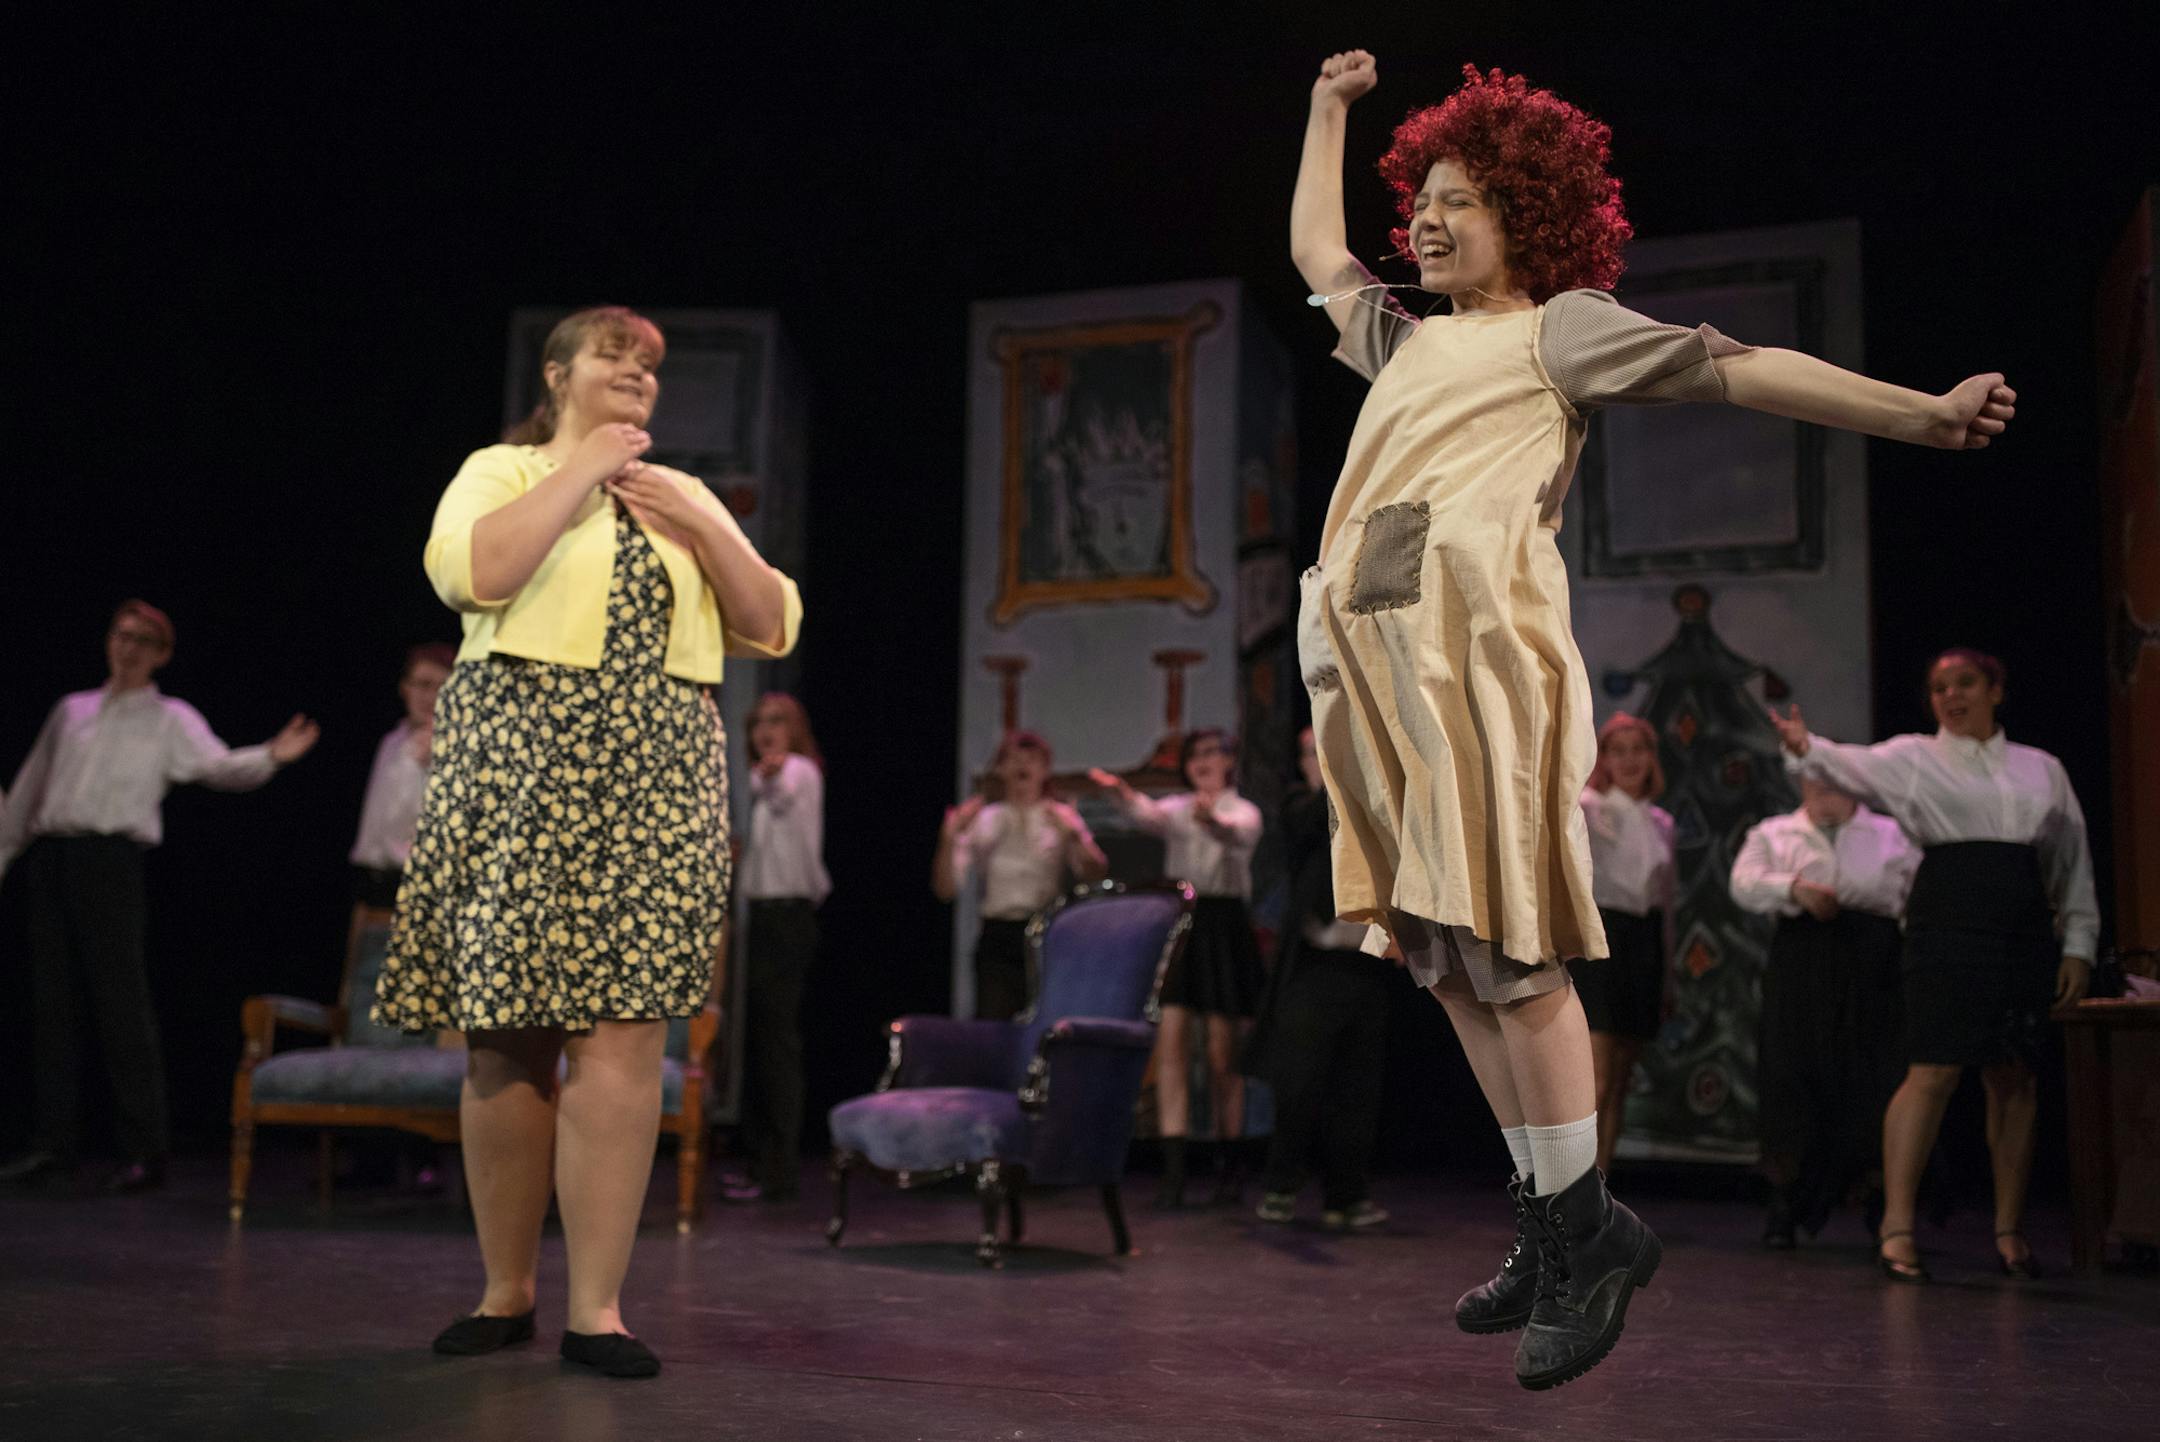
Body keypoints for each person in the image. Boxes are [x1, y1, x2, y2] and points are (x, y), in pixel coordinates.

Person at [1292, 50, 2017, 1387]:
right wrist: (1329, 113)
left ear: (1531, 216)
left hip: (1479, 666)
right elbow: (1319, 249)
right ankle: (1548, 1215)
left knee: (1511, 948)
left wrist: (1918, 413)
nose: (1430, 222)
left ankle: (1590, 1230)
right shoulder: (1406, 337)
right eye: (1425, 201)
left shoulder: (1557, 327)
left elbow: (1739, 371)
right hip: (1377, 669)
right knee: (1445, 956)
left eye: (1462, 200)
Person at [372, 305, 801, 1378]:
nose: (639, 377)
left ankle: (597, 1309)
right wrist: (584, 469)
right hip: (521, 756)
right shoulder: (504, 469)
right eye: (616, 357)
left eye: (652, 367)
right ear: (560, 373)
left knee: (623, 1032)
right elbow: (474, 573)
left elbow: (773, 618)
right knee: (508, 1030)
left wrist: (699, 523)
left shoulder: (682, 493)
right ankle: (504, 1290)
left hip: (657, 767)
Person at [1770, 648, 2094, 1282]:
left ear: (1996, 690)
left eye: (1965, 683)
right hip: (1946, 921)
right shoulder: (1915, 757)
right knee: (1933, 1071)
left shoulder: (2042, 769)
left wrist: (2078, 944)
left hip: (2020, 927)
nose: (1951, 696)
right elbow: (1845, 761)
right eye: (1939, 686)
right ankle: (1897, 1224)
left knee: (2014, 1076)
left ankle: (2009, 1230)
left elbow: (2070, 862)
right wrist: (1805, 744)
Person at [0, 600, 319, 1193]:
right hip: (53, 858)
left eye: (143, 641)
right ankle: (54, 1145)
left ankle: (145, 1149)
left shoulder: (169, 718)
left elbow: (219, 766)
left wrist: (272, 756)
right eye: (122, 636)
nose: (129, 648)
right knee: (52, 1007)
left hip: (110, 864)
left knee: (122, 1006)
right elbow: (27, 791)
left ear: (161, 655)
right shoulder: (72, 711)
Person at [1730, 775, 1919, 1249]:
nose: (1824, 792)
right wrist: (1793, 889)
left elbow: (1914, 895)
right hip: (1803, 961)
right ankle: (1786, 1203)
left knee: (1874, 1075)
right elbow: (1743, 881)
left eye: (1835, 783)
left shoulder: (1890, 834)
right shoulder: (1774, 833)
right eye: (1816, 783)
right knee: (1792, 1073)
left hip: (1872, 962)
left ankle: (1880, 1202)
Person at [1091, 730, 1265, 1207]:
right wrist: (1119, 792)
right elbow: (1143, 814)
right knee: (1171, 1043)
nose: (1204, 762)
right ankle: (1173, 1172)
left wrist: (1212, 822)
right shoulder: (1177, 808)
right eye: (1197, 755)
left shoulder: (1242, 810)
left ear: (1230, 761)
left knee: (1221, 1054)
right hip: (1183, 925)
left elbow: (1236, 834)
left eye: (1214, 753)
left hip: (1224, 926)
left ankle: (1231, 1163)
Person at [1253, 726, 1396, 1231]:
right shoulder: (1300, 807)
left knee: (1357, 1090)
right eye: (1315, 753)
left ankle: (1346, 1196)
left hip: (1364, 966)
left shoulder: (1377, 813)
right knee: (1299, 1085)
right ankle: (1281, 1186)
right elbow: (1314, 822)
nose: (1326, 762)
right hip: (1313, 968)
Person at [728, 692, 830, 1203]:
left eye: (776, 721)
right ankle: (760, 1159)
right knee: (761, 1039)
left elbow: (783, 790)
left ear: (793, 729)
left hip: (787, 916)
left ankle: (779, 1168)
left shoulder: (798, 770)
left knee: (777, 1043)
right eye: (758, 722)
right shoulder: (758, 776)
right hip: (764, 916)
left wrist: (770, 774)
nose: (765, 731)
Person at [934, 731, 1107, 1021]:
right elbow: (945, 889)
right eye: (1013, 759)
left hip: (1044, 933)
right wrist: (948, 837)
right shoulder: (984, 819)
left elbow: (1096, 874)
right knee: (994, 1025)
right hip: (998, 936)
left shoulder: (1060, 816)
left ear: (1045, 770)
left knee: (1043, 1025)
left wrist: (1075, 837)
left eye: (1032, 760)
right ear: (1001, 768)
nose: (1022, 766)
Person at [1574, 715, 1676, 1175]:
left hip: (1644, 944)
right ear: (1605, 759)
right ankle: (1572, 1192)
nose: (1630, 759)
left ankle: (1601, 1184)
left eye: (1639, 749)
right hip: (1602, 939)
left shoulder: (1662, 821)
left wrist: (1669, 972)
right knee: (1593, 1080)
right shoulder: (1590, 807)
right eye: (1619, 750)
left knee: (1618, 1082)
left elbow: (1665, 902)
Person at [349, 643, 454, 909]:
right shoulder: (392, 741)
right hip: (372, 884)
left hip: (421, 888)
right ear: (405, 687)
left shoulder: (455, 748)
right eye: (422, 684)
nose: (430, 696)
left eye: (440, 687)